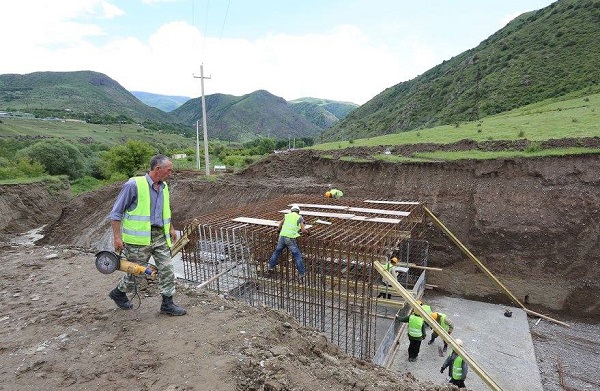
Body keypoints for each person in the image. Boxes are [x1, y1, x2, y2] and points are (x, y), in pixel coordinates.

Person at [108, 154, 186, 316]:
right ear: (158, 169)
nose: (171, 174)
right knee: (137, 273)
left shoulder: (164, 187)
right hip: (138, 239)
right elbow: (116, 213)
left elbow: (165, 210)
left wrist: (171, 227)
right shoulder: (133, 185)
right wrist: (117, 237)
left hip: (159, 236)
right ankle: (119, 292)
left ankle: (167, 303)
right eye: (169, 170)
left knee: (166, 269)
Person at [267, 204, 309, 280]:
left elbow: (280, 224)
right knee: (297, 255)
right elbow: (303, 230)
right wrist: (308, 232)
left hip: (282, 236)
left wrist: (278, 231)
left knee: (276, 252)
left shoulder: (287, 215)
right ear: (298, 211)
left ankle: (270, 267)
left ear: (291, 211)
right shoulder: (300, 217)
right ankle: (302, 273)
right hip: (290, 238)